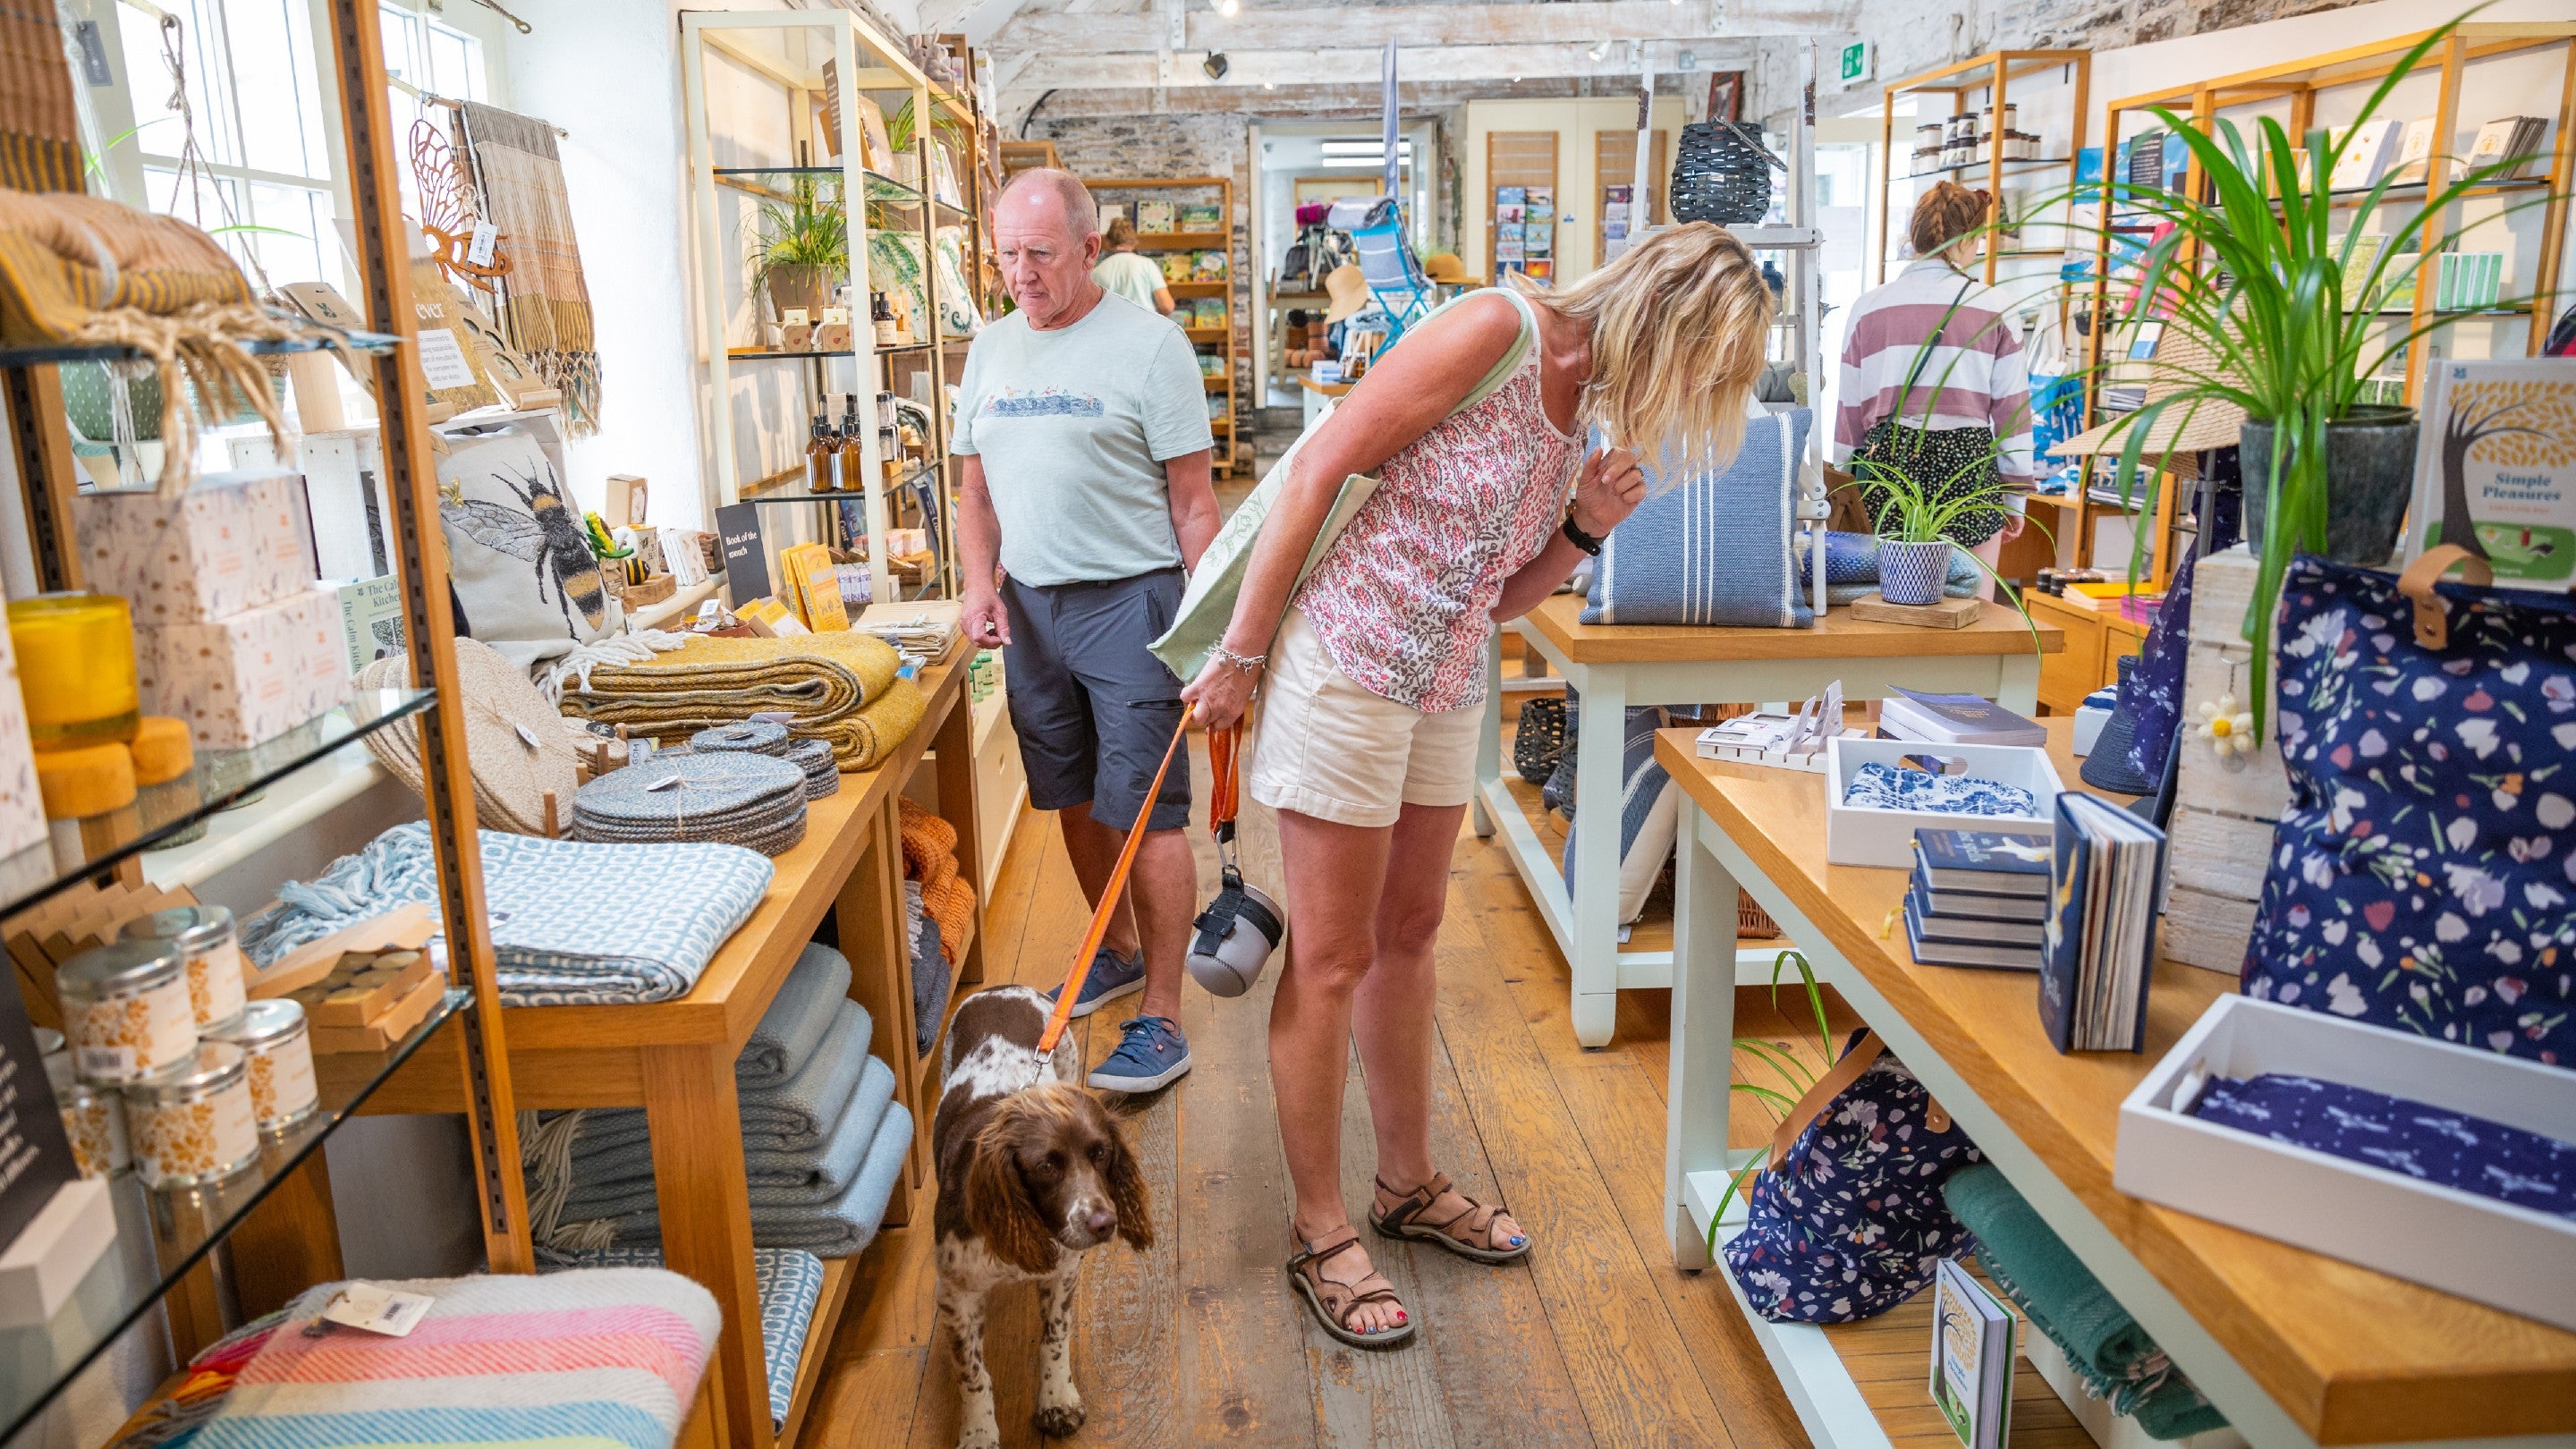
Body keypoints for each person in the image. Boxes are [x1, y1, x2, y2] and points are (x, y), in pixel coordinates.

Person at [1177, 224, 1774, 1348]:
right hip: (1349, 663)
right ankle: (1320, 1228)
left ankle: (1404, 1186)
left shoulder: (1585, 404)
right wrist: (1244, 653)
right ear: (1670, 320)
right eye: (1708, 367)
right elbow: (1318, 466)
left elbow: (1499, 598)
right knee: (1334, 953)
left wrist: (1587, 527)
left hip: (1446, 677)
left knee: (1412, 932)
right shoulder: (1498, 329)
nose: (1696, 395)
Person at [956, 168, 1221, 1092]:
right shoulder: (989, 348)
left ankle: (1163, 1015)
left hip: (1132, 601)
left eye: (1040, 254)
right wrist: (977, 584)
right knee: (1068, 793)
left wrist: (1217, 632)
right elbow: (976, 487)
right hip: (1030, 608)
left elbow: (1194, 504)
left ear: (1090, 249)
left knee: (1145, 810)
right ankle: (1108, 950)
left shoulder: (1152, 348)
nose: (1020, 275)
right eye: (1005, 256)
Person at [1833, 181, 2034, 597]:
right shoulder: (1997, 307)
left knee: (1884, 604)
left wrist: (1838, 494)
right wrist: (2016, 501)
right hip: (1968, 465)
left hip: (1890, 467)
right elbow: (2013, 420)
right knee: (1973, 609)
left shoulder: (1869, 307)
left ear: (1916, 236)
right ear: (1972, 240)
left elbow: (1849, 419)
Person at [1094, 216, 1177, 316]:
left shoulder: (1097, 271)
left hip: (1111, 327)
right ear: (1134, 242)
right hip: (1145, 326)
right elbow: (1167, 306)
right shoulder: (1147, 265)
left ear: (1108, 241)